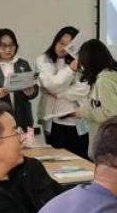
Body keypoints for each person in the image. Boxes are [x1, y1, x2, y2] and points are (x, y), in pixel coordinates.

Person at [36, 26, 91, 158]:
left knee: (80, 161)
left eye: (68, 46)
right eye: (61, 43)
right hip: (54, 121)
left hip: (78, 121)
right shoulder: (43, 59)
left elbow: (84, 88)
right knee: (56, 162)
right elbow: (51, 85)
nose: (63, 48)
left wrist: (60, 93)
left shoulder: (83, 62)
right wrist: (71, 70)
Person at [0, 28, 39, 130]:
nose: (8, 49)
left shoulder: (22, 64)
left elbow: (34, 88)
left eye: (12, 45)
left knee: (28, 145)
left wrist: (31, 91)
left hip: (24, 119)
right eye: (4, 46)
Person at [74, 40, 117, 147]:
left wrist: (84, 112)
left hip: (108, 142)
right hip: (107, 139)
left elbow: (112, 114)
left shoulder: (104, 81)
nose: (82, 66)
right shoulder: (105, 78)